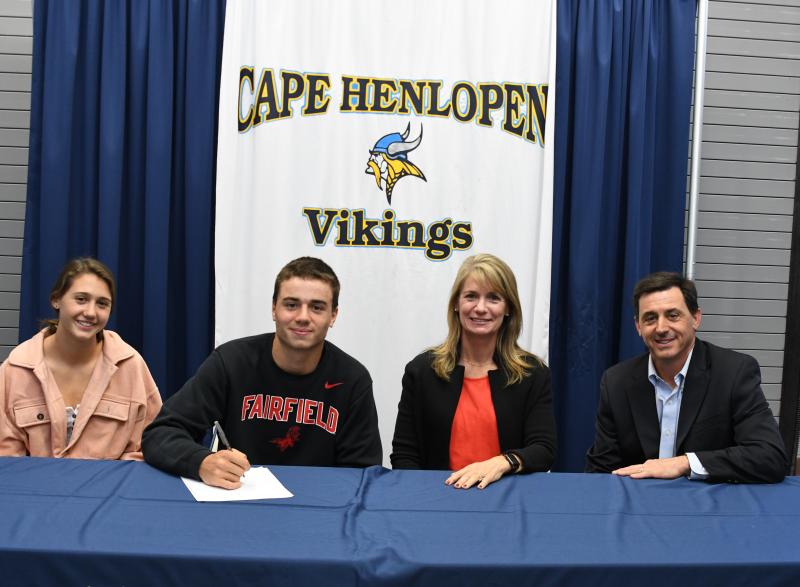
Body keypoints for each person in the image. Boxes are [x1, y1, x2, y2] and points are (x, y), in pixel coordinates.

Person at [142, 256, 382, 489]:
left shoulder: (352, 379)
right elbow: (160, 434)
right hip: (240, 497)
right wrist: (200, 462)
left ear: (333, 316)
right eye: (291, 305)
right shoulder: (231, 362)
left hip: (319, 506)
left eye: (317, 307)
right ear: (273, 309)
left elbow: (363, 472)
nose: (302, 317)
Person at [585, 271, 787, 483]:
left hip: (709, 507)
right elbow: (600, 468)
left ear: (696, 318)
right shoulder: (616, 382)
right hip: (639, 506)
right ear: (638, 327)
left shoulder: (734, 372)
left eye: (673, 315)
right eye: (650, 318)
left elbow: (769, 456)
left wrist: (684, 463)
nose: (661, 328)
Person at [391, 253, 556, 489]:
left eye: (493, 298)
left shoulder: (533, 374)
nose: (480, 308)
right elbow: (405, 454)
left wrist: (501, 463)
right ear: (456, 305)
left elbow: (543, 449)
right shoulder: (422, 371)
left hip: (507, 500)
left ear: (508, 308)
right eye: (471, 296)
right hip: (438, 499)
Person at [0, 257, 161, 459]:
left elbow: (150, 446)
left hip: (110, 489)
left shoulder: (131, 366)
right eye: (81, 299)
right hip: (34, 488)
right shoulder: (15, 370)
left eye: (102, 304)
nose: (91, 312)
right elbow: (6, 458)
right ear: (56, 300)